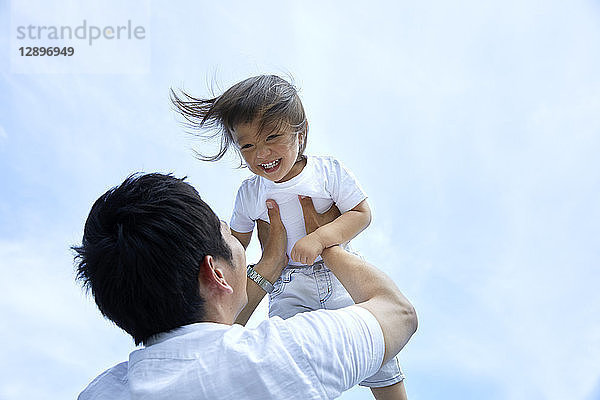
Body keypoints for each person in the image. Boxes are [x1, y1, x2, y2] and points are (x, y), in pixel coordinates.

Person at [74, 173, 417, 400]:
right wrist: (328, 244)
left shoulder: (99, 392)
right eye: (229, 234)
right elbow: (398, 312)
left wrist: (269, 264)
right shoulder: (276, 357)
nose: (243, 246)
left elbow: (206, 342)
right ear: (216, 272)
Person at [171, 75, 407, 398]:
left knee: (380, 352)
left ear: (300, 131)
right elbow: (235, 247)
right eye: (248, 146)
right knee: (288, 364)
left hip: (338, 276)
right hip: (287, 283)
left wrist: (321, 238)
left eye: (272, 137)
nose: (261, 154)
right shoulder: (250, 193)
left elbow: (361, 213)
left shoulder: (326, 172)